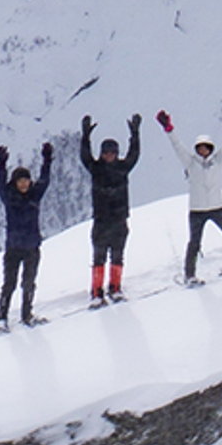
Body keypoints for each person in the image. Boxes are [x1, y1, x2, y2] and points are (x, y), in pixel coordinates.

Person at [158, 107, 222, 282]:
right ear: (196, 149)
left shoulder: (218, 160)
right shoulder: (189, 162)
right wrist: (169, 130)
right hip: (197, 210)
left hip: (216, 207)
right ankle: (190, 275)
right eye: (200, 148)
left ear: (211, 148)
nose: (203, 150)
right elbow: (177, 146)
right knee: (194, 244)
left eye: (206, 148)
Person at [79, 112, 142, 306]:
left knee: (117, 255)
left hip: (119, 219)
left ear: (116, 153)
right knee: (98, 257)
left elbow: (134, 154)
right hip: (101, 220)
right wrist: (85, 136)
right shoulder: (95, 168)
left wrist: (135, 134)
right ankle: (97, 291)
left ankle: (115, 287)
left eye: (112, 152)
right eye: (106, 152)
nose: (109, 156)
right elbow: (84, 156)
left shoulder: (123, 167)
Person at [0, 140, 51, 331]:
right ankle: (1, 318)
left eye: (26, 180)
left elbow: (45, 180)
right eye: (20, 181)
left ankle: (27, 314)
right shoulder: (9, 198)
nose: (24, 183)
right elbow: (0, 186)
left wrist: (47, 160)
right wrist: (1, 165)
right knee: (9, 284)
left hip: (32, 247)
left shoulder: (34, 195)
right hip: (14, 248)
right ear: (15, 182)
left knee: (28, 283)